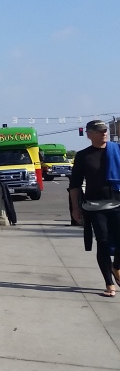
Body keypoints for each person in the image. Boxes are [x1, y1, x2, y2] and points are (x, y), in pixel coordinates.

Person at [69, 119, 120, 297]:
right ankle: (109, 284)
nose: (104, 133)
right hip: (95, 207)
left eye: (105, 130)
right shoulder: (83, 156)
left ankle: (116, 267)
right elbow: (74, 184)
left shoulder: (117, 151)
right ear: (89, 134)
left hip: (118, 204)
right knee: (103, 244)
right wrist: (75, 208)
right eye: (99, 131)